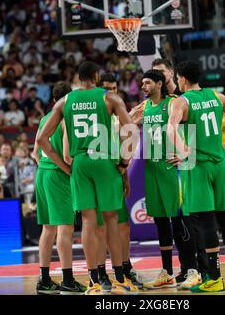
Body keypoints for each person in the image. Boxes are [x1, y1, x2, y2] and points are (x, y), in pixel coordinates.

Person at [37, 61, 139, 295]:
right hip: (103, 159)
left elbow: (42, 139)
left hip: (80, 162)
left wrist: (66, 166)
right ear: (96, 75)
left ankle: (93, 283)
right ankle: (120, 279)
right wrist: (123, 163)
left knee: (88, 222)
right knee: (111, 220)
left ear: (78, 78)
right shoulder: (109, 98)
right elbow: (132, 131)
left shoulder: (65, 101)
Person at [167, 60, 225, 292]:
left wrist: (183, 151)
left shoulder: (181, 102)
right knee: (224, 219)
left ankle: (214, 278)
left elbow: (170, 128)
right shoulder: (217, 97)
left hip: (199, 166)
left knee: (205, 223)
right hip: (219, 165)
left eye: (177, 79)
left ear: (182, 79)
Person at [137, 69, 201, 290]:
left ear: (158, 83)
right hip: (152, 168)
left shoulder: (173, 102)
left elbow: (193, 126)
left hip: (171, 169)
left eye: (147, 83)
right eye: (142, 83)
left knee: (179, 220)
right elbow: (122, 121)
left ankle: (193, 270)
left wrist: (187, 152)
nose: (143, 87)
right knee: (161, 222)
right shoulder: (144, 107)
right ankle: (166, 271)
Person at [32, 81, 86, 295]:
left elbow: (35, 152)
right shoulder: (65, 119)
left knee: (47, 229)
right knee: (66, 228)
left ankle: (44, 280)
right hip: (58, 174)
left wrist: (46, 166)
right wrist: (67, 169)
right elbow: (66, 155)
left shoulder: (45, 118)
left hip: (42, 174)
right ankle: (67, 280)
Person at [96, 73, 143, 291]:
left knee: (123, 225)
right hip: (100, 173)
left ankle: (125, 267)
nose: (111, 91)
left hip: (116, 172)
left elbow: (124, 144)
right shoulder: (99, 115)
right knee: (102, 226)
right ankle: (99, 274)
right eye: (107, 88)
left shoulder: (116, 113)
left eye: (114, 87)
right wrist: (133, 118)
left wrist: (124, 174)